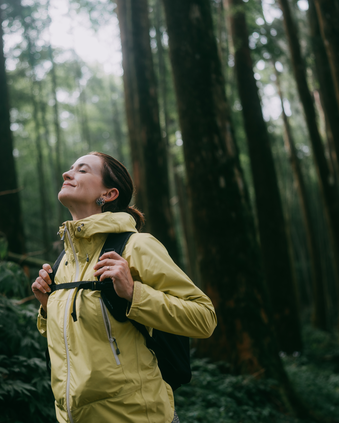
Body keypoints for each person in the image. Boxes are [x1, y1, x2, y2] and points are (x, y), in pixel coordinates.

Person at [31, 152, 217, 423]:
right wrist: (48, 307)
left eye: (82, 170)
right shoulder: (63, 263)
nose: (67, 174)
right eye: (70, 168)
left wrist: (133, 293)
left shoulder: (136, 246)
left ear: (108, 193)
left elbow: (204, 318)